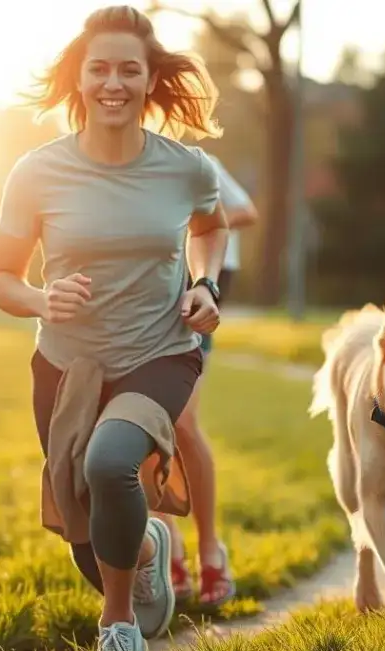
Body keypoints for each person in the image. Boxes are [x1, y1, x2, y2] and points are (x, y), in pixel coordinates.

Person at [0, 5, 230, 651]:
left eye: (130, 69)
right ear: (79, 78)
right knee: (85, 536)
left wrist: (205, 287)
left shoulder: (187, 168)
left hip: (161, 352)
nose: (113, 82)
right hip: (67, 364)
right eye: (100, 69)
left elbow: (211, 229)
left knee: (108, 460)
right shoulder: (36, 172)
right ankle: (147, 548)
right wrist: (40, 296)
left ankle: (117, 626)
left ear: (151, 80)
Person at [156, 155, 257, 607]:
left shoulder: (199, 163)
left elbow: (245, 211)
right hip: (145, 288)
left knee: (181, 423)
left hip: (201, 282)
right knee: (146, 424)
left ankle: (210, 546)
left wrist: (189, 216)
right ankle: (169, 544)